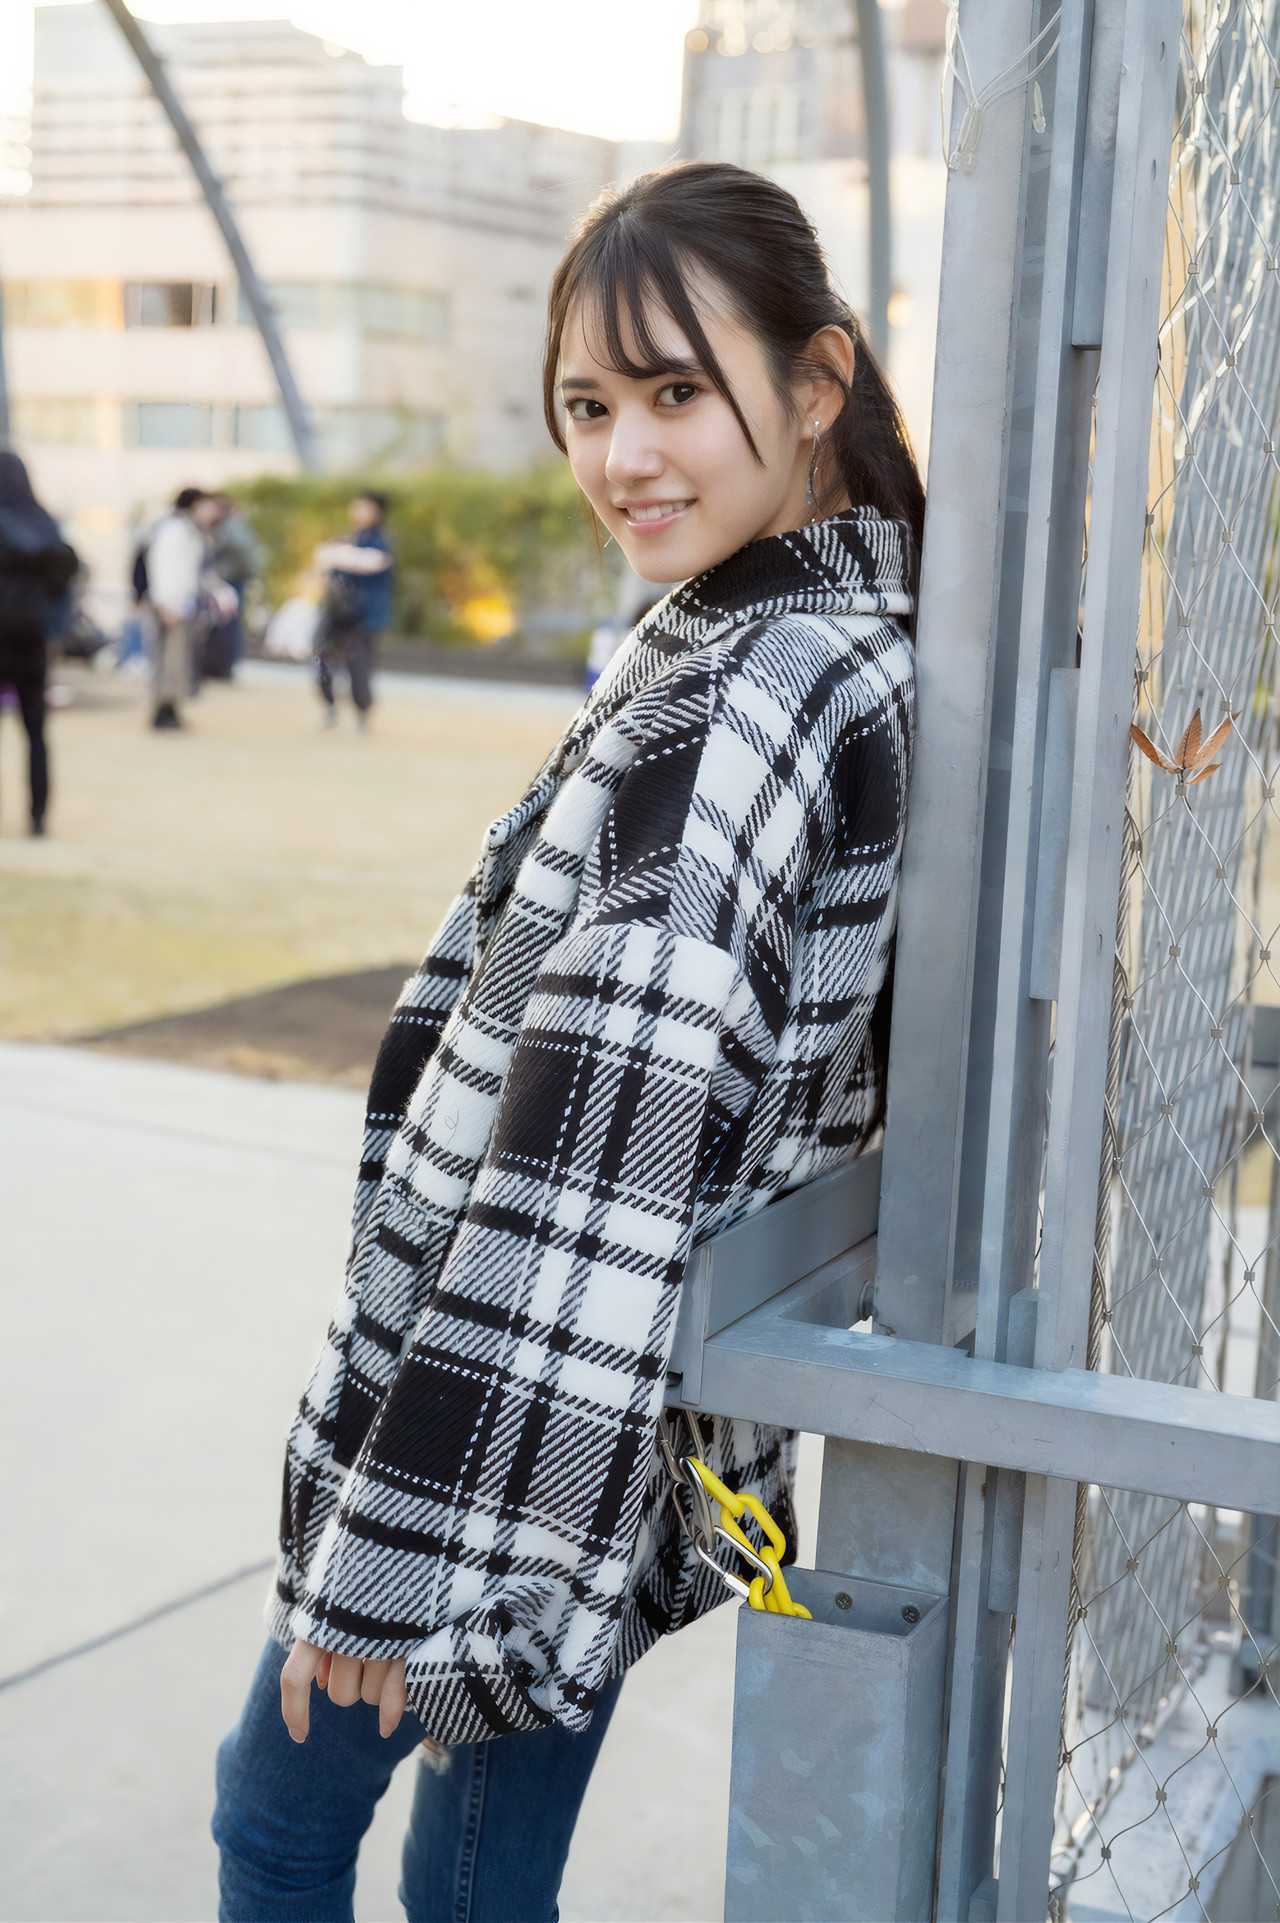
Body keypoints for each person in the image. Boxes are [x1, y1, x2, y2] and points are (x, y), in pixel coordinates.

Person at [211, 158, 923, 1921]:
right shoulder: (838, 633)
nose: (625, 458)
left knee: (276, 1813)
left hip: (526, 1412)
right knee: (481, 1870)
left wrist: (399, 1554)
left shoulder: (747, 688)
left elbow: (588, 1160)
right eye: (590, 406)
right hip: (627, 1411)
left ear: (816, 384)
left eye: (677, 391)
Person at [0, 450, 78, 836]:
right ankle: (38, 817)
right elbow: (65, 581)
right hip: (32, 640)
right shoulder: (45, 525)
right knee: (36, 733)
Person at [142, 485, 232, 730]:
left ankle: (170, 707)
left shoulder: (191, 531)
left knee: (176, 659)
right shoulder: (176, 531)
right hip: (172, 604)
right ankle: (164, 709)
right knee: (171, 658)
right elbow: (165, 569)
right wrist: (168, 603)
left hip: (180, 602)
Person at [312, 490, 395, 730]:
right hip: (337, 613)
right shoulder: (350, 539)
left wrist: (338, 554)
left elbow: (372, 562)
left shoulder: (381, 542)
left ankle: (362, 712)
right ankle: (329, 705)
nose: (357, 513)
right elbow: (326, 561)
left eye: (363, 508)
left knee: (359, 667)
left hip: (364, 616)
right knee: (322, 659)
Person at [202, 492, 262, 680]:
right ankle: (220, 665)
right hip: (230, 580)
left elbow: (239, 552)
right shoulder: (232, 525)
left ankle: (221, 666)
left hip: (229, 581)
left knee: (225, 624)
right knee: (225, 624)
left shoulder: (230, 527)